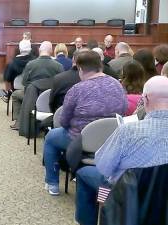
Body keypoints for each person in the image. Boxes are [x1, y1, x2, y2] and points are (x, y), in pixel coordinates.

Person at [75, 75, 168, 225]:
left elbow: (103, 166)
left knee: (83, 173)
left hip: (126, 198)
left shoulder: (128, 131)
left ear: (146, 99)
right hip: (162, 203)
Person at [43, 51, 127, 195]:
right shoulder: (117, 85)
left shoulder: (77, 89)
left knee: (51, 137)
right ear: (100, 66)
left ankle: (52, 183)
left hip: (80, 139)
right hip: (111, 140)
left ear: (80, 69)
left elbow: (63, 121)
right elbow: (124, 111)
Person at [10, 41, 64, 130]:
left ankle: (19, 122)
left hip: (31, 97)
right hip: (50, 98)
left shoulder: (30, 64)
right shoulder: (59, 66)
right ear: (51, 51)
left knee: (15, 94)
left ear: (39, 50)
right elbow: (61, 84)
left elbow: (24, 82)